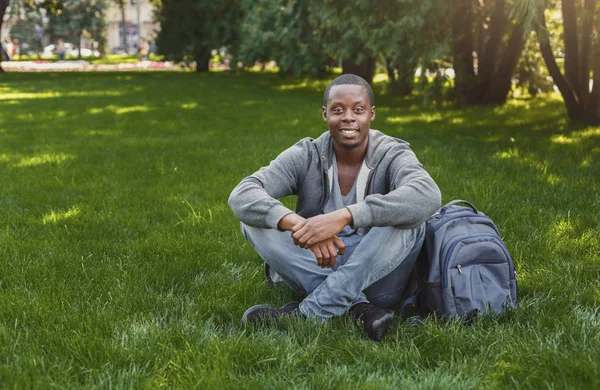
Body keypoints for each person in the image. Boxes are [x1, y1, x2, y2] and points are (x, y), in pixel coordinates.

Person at [228, 74, 441, 341]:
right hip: (316, 267)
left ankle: (307, 313)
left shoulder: (392, 153)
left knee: (410, 220)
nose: (349, 117)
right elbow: (242, 193)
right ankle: (360, 309)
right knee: (253, 220)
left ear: (371, 114)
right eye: (338, 110)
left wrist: (345, 216)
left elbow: (428, 195)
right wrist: (300, 225)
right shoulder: (307, 154)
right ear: (325, 114)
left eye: (358, 110)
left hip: (377, 275)